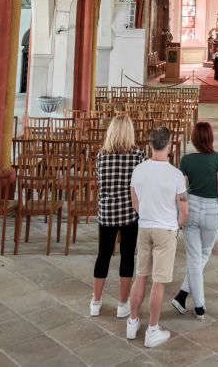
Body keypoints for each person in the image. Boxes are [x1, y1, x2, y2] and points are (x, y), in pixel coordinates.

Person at [127, 126, 188, 348]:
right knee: (159, 282)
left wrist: (146, 216)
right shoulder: (176, 175)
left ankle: (132, 321)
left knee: (141, 276)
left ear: (150, 145)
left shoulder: (138, 170)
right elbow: (184, 210)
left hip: (144, 227)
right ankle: (152, 330)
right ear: (169, 145)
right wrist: (176, 226)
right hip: (166, 230)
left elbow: (135, 202)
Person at [91, 115, 145, 318]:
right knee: (127, 256)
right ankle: (123, 305)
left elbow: (99, 182)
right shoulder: (137, 154)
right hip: (130, 212)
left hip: (107, 212)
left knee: (103, 255)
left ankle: (95, 302)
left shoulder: (101, 155)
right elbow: (140, 183)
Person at [172, 121, 218, 319]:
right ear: (210, 138)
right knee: (202, 254)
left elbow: (180, 190)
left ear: (194, 139)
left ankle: (183, 295)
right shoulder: (217, 158)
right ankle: (199, 306)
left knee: (196, 257)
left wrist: (180, 211)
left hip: (192, 208)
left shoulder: (186, 160)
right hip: (212, 209)